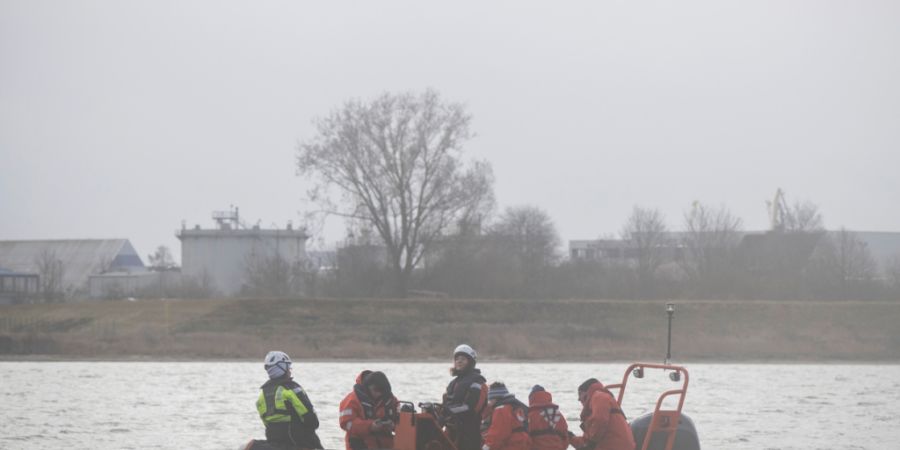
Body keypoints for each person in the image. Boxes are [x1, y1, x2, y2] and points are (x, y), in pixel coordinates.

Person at [256, 351, 323, 450]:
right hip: (299, 442)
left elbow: (266, 423)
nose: (290, 370)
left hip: (274, 443)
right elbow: (312, 421)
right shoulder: (291, 389)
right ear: (282, 367)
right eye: (288, 367)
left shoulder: (262, 395)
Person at [442, 344, 489, 450]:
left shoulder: (477, 382)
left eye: (463, 359)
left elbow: (471, 408)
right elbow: (446, 403)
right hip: (452, 429)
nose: (459, 361)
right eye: (457, 359)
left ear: (470, 362)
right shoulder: (453, 383)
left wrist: (449, 410)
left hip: (470, 432)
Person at [339, 370, 400, 450]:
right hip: (359, 445)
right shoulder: (351, 400)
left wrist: (393, 426)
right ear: (367, 387)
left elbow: (401, 421)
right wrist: (370, 426)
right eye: (376, 390)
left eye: (382, 391)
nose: (379, 394)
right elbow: (346, 423)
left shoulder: (391, 399)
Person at [569, 378, 635, 450]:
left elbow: (601, 420)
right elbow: (586, 443)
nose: (578, 399)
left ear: (587, 392)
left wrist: (592, 442)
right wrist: (570, 437)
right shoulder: (593, 414)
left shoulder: (599, 396)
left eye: (580, 394)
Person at [481, 382, 530, 450]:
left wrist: (487, 447)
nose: (490, 403)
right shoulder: (519, 406)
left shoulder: (501, 409)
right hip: (525, 444)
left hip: (511, 445)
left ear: (495, 398)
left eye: (490, 399)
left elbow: (498, 433)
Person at [526, 385, 568, 450]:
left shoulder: (530, 416)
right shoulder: (558, 415)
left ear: (531, 398)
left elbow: (525, 439)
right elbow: (565, 438)